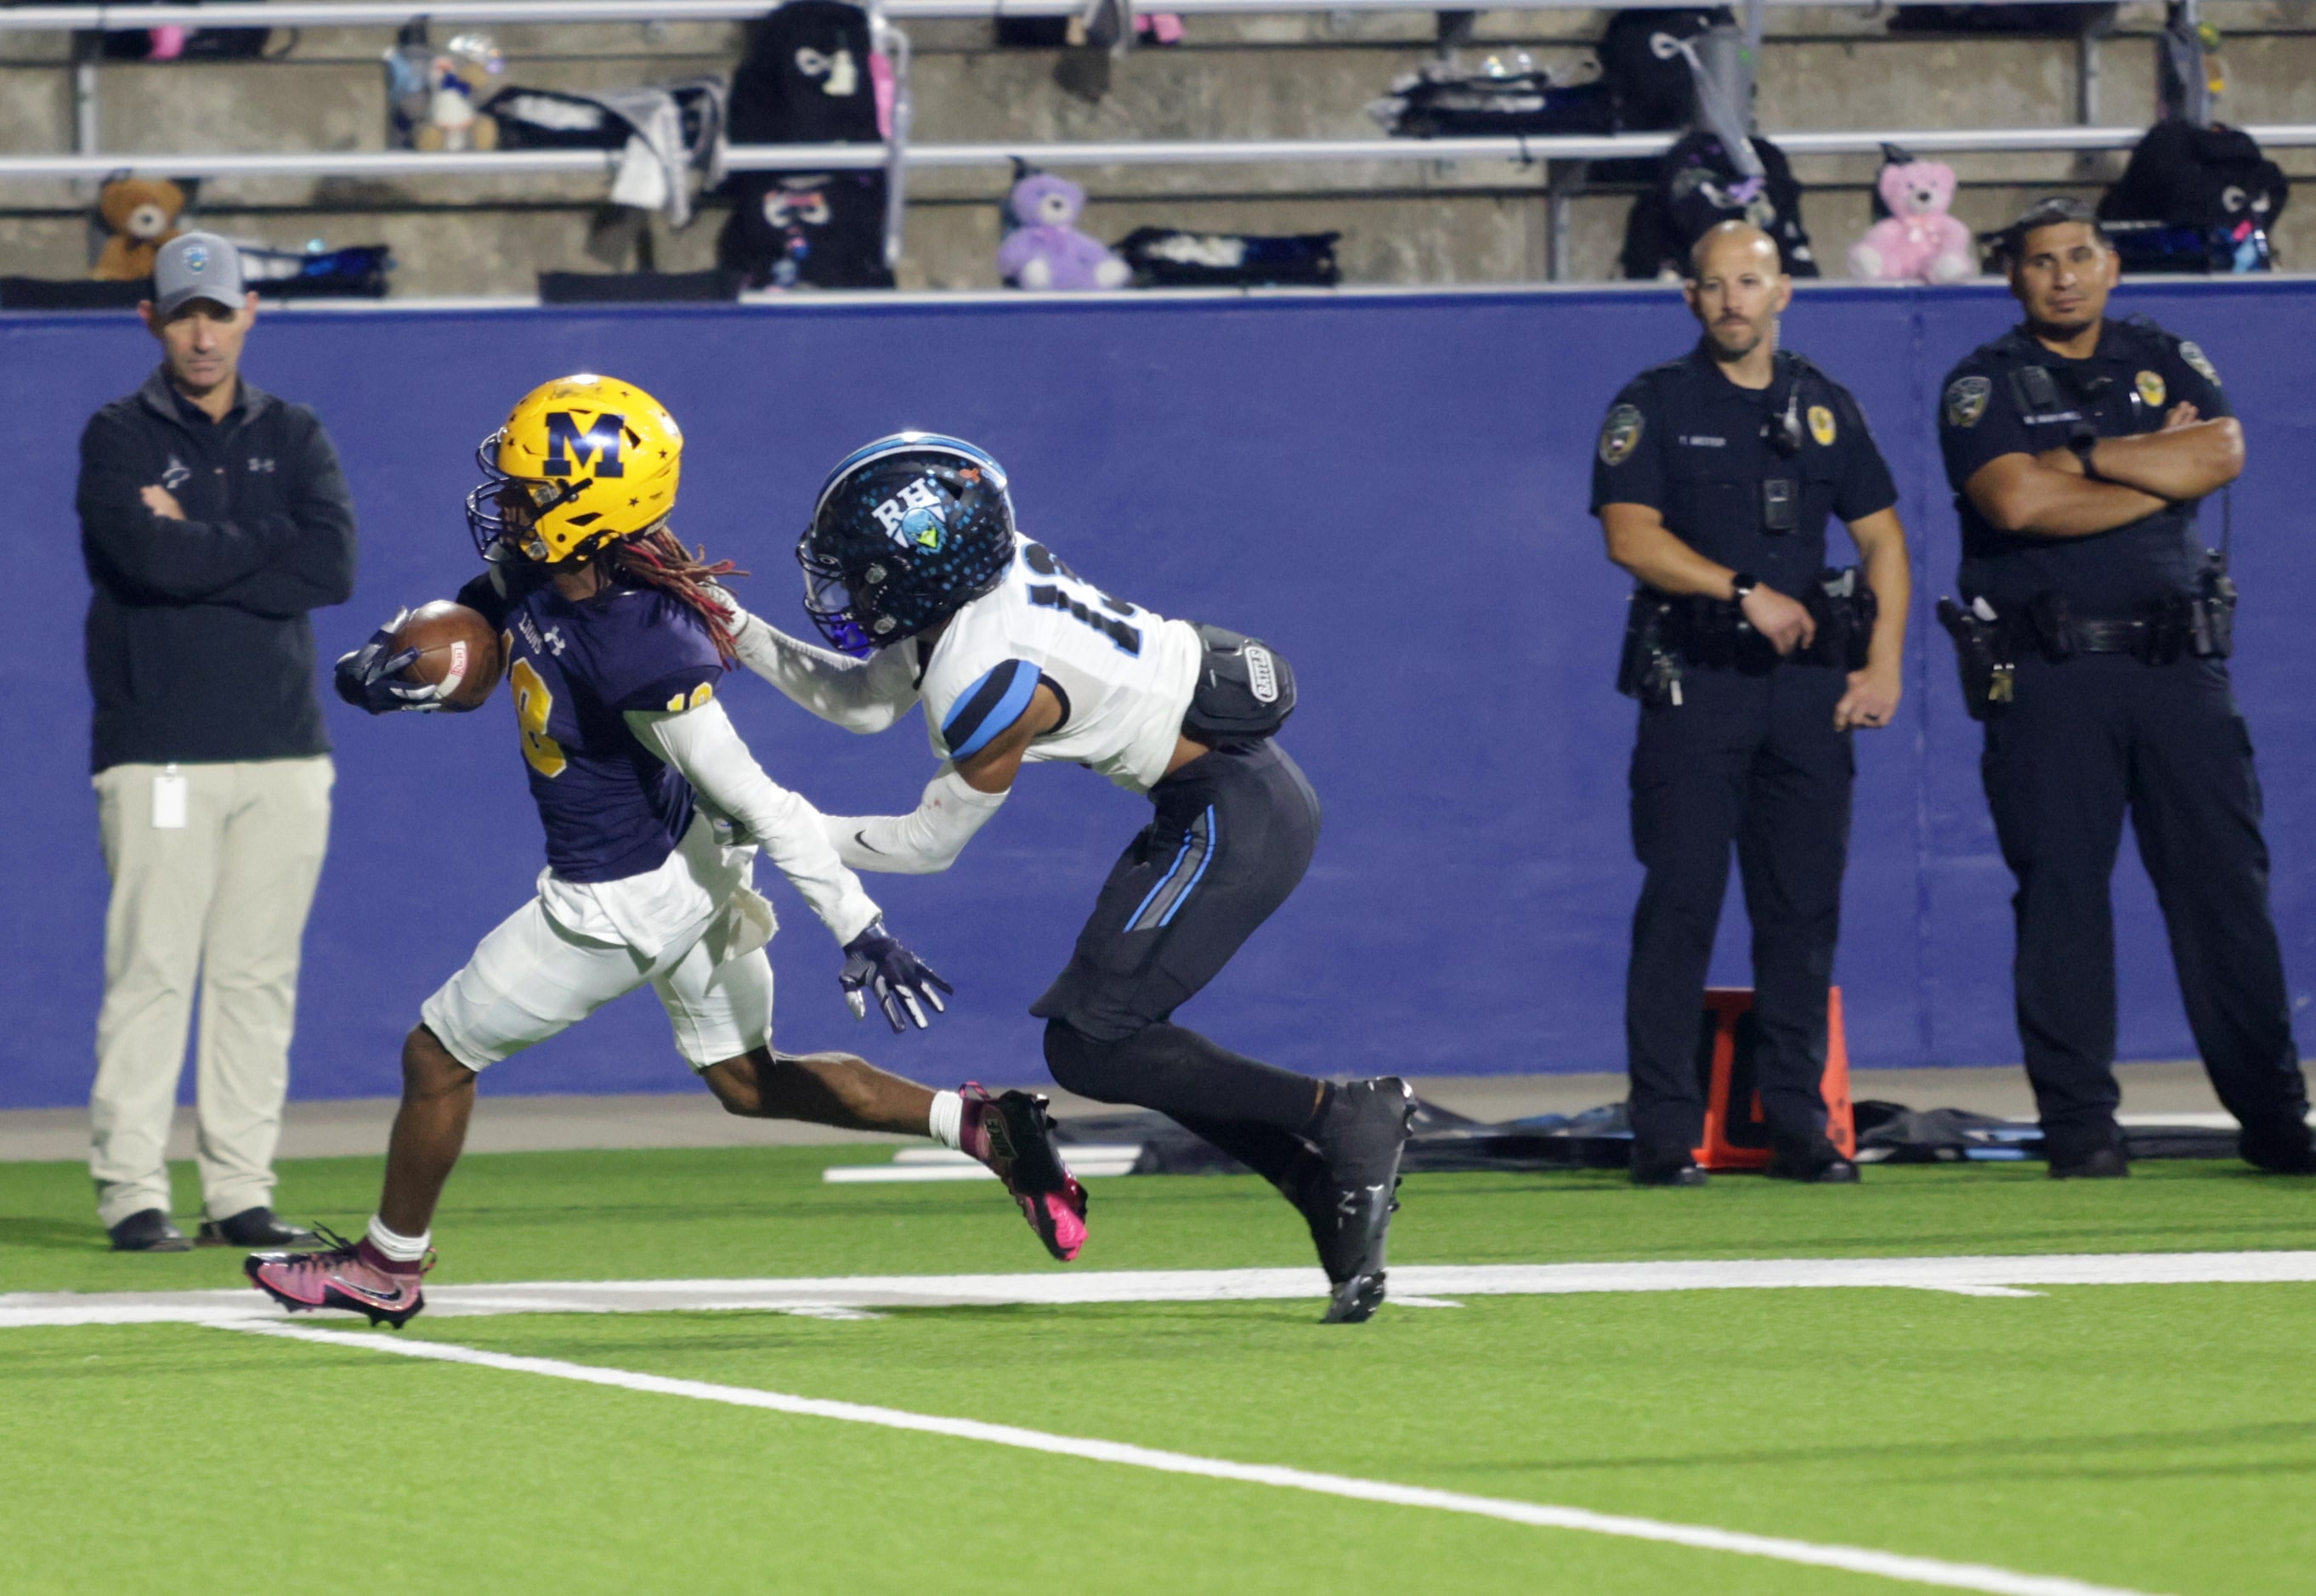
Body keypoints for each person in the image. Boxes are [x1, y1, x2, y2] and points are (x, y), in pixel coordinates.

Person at [245, 377, 1084, 1329]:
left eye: (529, 490)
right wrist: (401, 658)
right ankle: (977, 1124)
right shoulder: (554, 563)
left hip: (620, 898)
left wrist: (859, 925)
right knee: (749, 1082)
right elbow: (487, 614)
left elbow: (761, 800)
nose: (508, 504)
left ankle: (385, 1266)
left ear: (588, 507)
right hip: (694, 867)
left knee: (436, 1055)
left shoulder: (643, 640)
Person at [722, 433, 1417, 1324]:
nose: (849, 590)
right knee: (1103, 1041)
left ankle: (1342, 1115)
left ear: (927, 570)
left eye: (866, 572)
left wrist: (782, 826)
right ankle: (1318, 1177)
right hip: (1212, 802)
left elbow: (928, 845)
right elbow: (861, 702)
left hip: (1231, 816)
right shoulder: (985, 585)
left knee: (1098, 1042)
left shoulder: (986, 676)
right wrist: (731, 627)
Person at [1934, 197, 2313, 1178]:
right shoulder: (1983, 383)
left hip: (2179, 669)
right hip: (2053, 674)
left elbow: (2221, 453)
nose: (2061, 275)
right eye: (2039, 262)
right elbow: (2015, 499)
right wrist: (2155, 468)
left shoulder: (2162, 356)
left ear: (2108, 266)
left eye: (2078, 257)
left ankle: (2276, 1121)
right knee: (2062, 901)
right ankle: (2080, 1131)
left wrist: (2086, 459)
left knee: (2225, 896)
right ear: (2011, 277)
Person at [1590, 220, 1911, 1188]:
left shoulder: (1823, 405)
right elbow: (1630, 538)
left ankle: (1796, 1124)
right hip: (1698, 686)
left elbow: (1884, 541)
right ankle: (1661, 1130)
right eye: (1715, 284)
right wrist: (1739, 590)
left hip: (1809, 694)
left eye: (1750, 281)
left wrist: (1882, 666)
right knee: (1680, 906)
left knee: (1801, 911)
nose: (1733, 298)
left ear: (1783, 294)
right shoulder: (1654, 404)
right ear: (1690, 298)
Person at [77, 232, 357, 1253]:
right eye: (184, 313)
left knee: (256, 977)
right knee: (151, 968)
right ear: (150, 320)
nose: (203, 332)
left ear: (250, 315)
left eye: (219, 311)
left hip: (284, 750)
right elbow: (142, 560)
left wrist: (192, 533)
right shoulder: (116, 436)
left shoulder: (295, 430)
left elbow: (330, 566)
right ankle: (132, 1193)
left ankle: (240, 1190)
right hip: (160, 755)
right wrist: (254, 544)